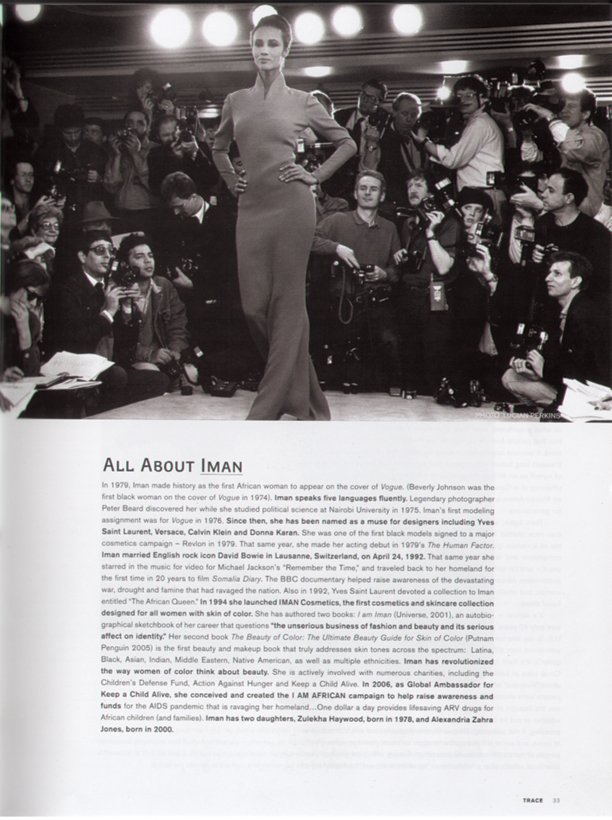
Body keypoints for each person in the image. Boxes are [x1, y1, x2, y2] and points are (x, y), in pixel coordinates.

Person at [212, 13, 356, 420]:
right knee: (254, 308)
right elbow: (218, 148)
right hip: (251, 208)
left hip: (293, 207)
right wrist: (232, 181)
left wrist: (315, 175)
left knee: (288, 306)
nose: (264, 51)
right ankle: (305, 400)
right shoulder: (235, 101)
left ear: (286, 50)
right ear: (251, 48)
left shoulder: (303, 101)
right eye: (258, 43)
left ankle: (267, 405)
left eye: (272, 44)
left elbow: (347, 142)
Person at [311, 170, 402, 392]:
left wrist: (384, 274)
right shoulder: (338, 221)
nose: (367, 193)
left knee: (390, 344)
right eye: (363, 188)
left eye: (373, 189)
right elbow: (308, 239)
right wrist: (336, 248)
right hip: (344, 304)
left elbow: (398, 269)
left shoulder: (389, 228)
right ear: (355, 193)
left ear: (382, 196)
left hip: (377, 304)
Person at [501, 251, 610, 408]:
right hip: (570, 382)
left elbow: (586, 371)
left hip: (596, 392)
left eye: (557, 274)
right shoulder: (569, 310)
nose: (548, 278)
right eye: (549, 273)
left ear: (575, 281)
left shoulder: (583, 315)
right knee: (511, 376)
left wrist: (544, 370)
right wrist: (537, 371)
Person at [413, 75, 505, 218]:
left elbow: (452, 160)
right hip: (481, 192)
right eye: (459, 96)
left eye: (469, 95)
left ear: (482, 98)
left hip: (483, 195)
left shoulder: (479, 125)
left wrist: (424, 141)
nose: (463, 100)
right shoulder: (475, 122)